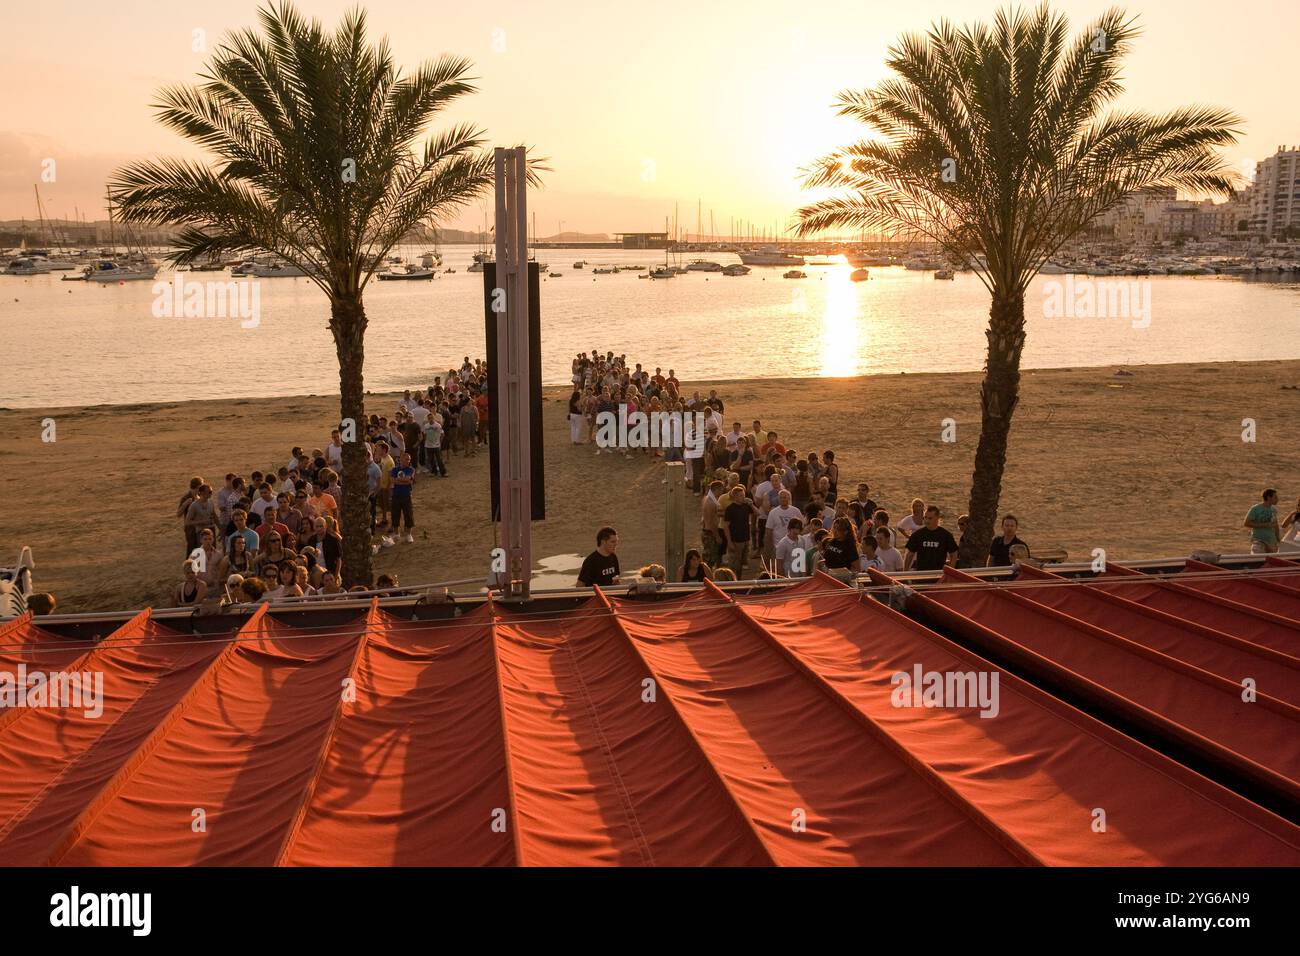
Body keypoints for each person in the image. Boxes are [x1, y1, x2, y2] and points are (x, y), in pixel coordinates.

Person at [905, 506, 960, 571]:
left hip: (939, 574)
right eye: (925, 517)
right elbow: (909, 555)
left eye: (930, 518)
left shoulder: (945, 535)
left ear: (937, 518)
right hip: (921, 574)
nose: (927, 520)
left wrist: (950, 572)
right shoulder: (917, 535)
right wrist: (905, 572)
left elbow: (954, 554)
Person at [722, 485, 756, 577]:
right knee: (734, 564)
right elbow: (726, 526)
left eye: (743, 495)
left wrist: (751, 504)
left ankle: (738, 579)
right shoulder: (730, 509)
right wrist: (729, 541)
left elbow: (757, 513)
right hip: (735, 540)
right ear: (735, 496)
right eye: (741, 495)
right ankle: (731, 581)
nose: (743, 497)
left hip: (745, 539)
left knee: (741, 564)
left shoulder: (746, 506)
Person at [390, 452, 417, 543]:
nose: (408, 461)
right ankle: (396, 533)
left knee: (408, 514)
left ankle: (409, 534)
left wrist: (399, 480)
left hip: (406, 495)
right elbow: (393, 480)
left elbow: (409, 481)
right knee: (395, 514)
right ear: (401, 459)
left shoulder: (411, 469)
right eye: (406, 459)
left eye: (409, 459)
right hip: (396, 495)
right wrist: (404, 481)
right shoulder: (394, 469)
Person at [1244, 489, 1281, 554]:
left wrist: (1277, 538)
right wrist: (1264, 525)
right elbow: (1246, 523)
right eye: (1275, 497)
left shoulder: (1274, 509)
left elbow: (1276, 525)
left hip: (1271, 541)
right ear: (1269, 497)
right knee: (1257, 559)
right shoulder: (1256, 509)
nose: (1277, 499)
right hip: (1259, 540)